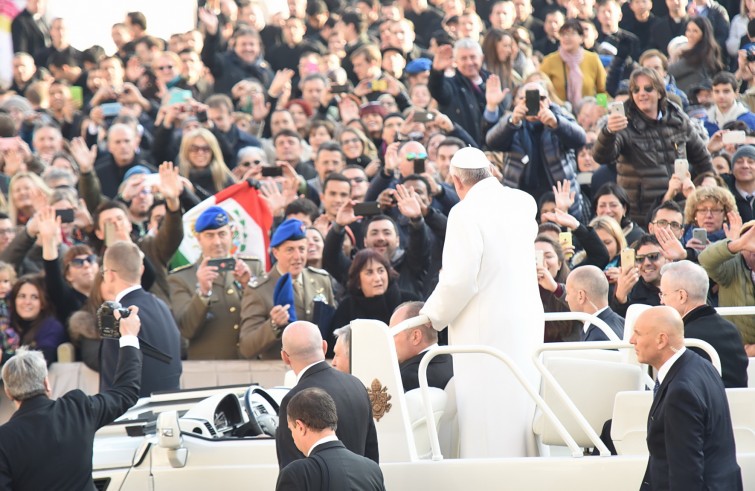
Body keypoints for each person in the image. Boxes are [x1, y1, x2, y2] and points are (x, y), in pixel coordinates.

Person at [420, 147, 543, 458]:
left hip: (485, 329)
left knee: (487, 418)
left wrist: (430, 317)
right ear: (491, 171)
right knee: (523, 406)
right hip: (525, 322)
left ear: (456, 181)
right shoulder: (523, 202)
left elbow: (459, 281)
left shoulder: (464, 212)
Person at [0, 305, 141, 490]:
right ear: (46, 384)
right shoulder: (77, 409)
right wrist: (129, 336)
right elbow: (126, 392)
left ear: (8, 392)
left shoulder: (4, 440)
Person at [630, 306, 742, 490]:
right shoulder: (703, 366)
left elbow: (686, 472)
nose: (631, 340)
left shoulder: (680, 393)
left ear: (661, 340)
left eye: (638, 334)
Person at [593, 67, 713, 228]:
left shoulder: (677, 119)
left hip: (679, 209)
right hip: (641, 214)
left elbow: (703, 159)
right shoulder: (623, 122)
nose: (641, 93)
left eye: (648, 88)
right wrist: (608, 132)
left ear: (659, 92)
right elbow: (602, 157)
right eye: (636, 90)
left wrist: (708, 179)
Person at [276, 321, 379, 469]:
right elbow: (372, 458)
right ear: (324, 347)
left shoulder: (294, 399)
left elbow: (293, 472)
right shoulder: (356, 384)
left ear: (285, 357)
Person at [486, 81, 588, 222]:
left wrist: (556, 123)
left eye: (541, 98)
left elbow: (581, 139)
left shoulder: (560, 115)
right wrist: (512, 122)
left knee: (565, 238)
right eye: (526, 99)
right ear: (518, 101)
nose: (535, 103)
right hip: (521, 198)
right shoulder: (512, 119)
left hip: (559, 196)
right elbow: (492, 142)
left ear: (549, 100)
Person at [169, 206, 262, 360]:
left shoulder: (253, 267)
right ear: (198, 238)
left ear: (231, 235)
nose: (217, 242)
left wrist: (249, 286)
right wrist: (203, 293)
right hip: (210, 368)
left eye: (222, 234)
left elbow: (266, 316)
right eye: (209, 236)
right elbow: (186, 329)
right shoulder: (181, 278)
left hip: (251, 362)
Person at [239, 219, 334, 360]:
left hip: (317, 369)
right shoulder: (259, 290)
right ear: (276, 253)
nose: (297, 257)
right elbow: (246, 347)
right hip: (279, 372)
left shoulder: (321, 280)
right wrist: (273, 325)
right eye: (290, 250)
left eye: (302, 249)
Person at [99, 240, 182, 397]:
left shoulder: (117, 315)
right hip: (170, 407)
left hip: (135, 414)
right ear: (142, 270)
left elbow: (111, 380)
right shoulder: (162, 306)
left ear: (109, 275)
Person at [275, 387, 385, 491]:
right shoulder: (372, 470)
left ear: (300, 427)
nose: (293, 437)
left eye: (291, 430)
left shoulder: (297, 474)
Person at [659, 260, 748, 388]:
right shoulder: (732, 329)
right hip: (738, 406)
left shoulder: (683, 338)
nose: (661, 301)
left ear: (682, 296)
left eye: (663, 294)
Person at [325, 249, 407, 357]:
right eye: (369, 273)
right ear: (358, 281)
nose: (377, 278)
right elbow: (335, 350)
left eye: (381, 270)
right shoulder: (347, 307)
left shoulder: (407, 301)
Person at [698, 220, 755, 354]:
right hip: (735, 352)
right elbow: (705, 260)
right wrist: (736, 244)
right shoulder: (732, 266)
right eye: (749, 240)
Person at [540, 19, 607, 108]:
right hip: (558, 113)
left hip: (587, 114)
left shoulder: (593, 59)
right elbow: (541, 87)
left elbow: (602, 90)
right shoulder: (549, 60)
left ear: (581, 38)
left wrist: (601, 109)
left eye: (571, 34)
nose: (566, 37)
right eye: (563, 34)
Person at [390, 301, 453, 392]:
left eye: (394, 334)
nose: (389, 340)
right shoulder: (451, 361)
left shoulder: (405, 379)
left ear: (416, 336)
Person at [565, 265, 625, 341]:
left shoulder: (598, 337)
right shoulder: (622, 323)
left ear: (581, 296)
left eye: (568, 293)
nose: (566, 299)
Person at [667, 17, 725, 95]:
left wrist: (676, 53)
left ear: (704, 34)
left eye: (695, 31)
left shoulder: (699, 56)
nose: (690, 34)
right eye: (688, 30)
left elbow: (669, 71)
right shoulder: (705, 52)